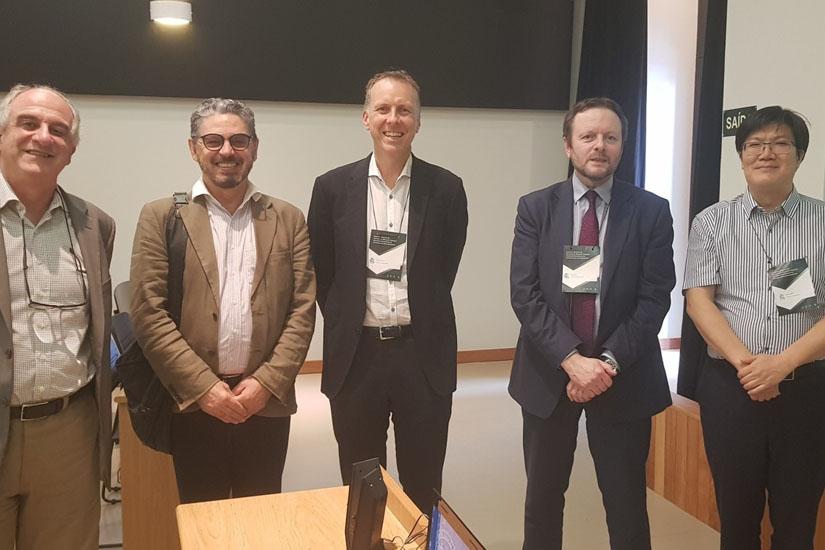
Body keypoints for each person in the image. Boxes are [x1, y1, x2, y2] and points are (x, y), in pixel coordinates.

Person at [130, 97, 315, 503]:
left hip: (265, 405)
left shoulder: (288, 218)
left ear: (255, 148)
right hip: (194, 405)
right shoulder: (162, 217)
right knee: (204, 521)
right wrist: (205, 389)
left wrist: (266, 383)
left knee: (261, 515)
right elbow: (148, 313)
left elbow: (302, 310)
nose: (227, 151)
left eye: (238, 140)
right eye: (213, 140)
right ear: (193, 148)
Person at [509, 97, 675, 549]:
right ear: (568, 146)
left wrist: (604, 364)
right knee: (542, 501)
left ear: (622, 146)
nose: (598, 146)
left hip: (623, 376)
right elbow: (525, 295)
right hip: (548, 376)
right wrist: (571, 360)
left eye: (610, 137)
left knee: (625, 506)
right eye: (587, 137)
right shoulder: (535, 209)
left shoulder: (651, 212)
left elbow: (655, 296)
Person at [307, 69, 468, 513]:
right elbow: (323, 270)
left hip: (423, 356)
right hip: (357, 356)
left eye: (404, 110)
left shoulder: (447, 189)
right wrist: (346, 318)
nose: (393, 119)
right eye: (383, 109)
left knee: (423, 480)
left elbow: (443, 271)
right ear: (365, 118)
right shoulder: (332, 188)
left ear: (418, 120)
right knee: (362, 482)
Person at [684, 106, 825, 549]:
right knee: (736, 518)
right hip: (731, 388)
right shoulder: (711, 222)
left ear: (799, 155)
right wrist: (749, 366)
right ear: (741, 155)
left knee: (798, 519)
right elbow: (698, 301)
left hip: (807, 390)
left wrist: (781, 365)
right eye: (754, 144)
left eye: (780, 143)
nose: (767, 152)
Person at [0, 84, 115, 549]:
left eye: (58, 130)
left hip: (69, 432)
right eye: (28, 123)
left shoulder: (94, 224)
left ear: (70, 151)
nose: (43, 137)